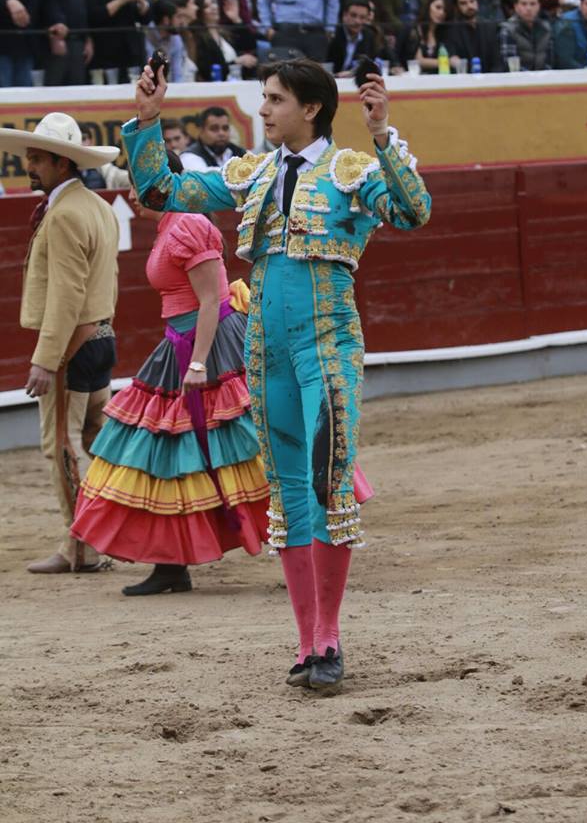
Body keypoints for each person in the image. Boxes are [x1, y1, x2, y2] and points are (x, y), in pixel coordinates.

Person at [123, 57, 430, 693]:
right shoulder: (253, 173)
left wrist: (380, 133)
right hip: (268, 351)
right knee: (289, 491)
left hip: (327, 346)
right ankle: (307, 643)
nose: (261, 111)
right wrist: (146, 121)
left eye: (273, 99)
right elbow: (161, 193)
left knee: (326, 478)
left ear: (310, 108)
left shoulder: (352, 171)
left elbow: (412, 210)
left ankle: (331, 638)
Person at [70, 150, 271, 596]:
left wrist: (198, 363)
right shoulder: (172, 224)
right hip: (183, 343)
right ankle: (171, 563)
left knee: (239, 443)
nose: (132, 195)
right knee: (177, 452)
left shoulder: (188, 224)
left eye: (140, 187)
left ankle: (308, 529)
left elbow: (211, 301)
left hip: (207, 347)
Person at [0, 112, 120, 573]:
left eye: (35, 159)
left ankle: (84, 547)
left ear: (61, 163)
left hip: (72, 345)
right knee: (94, 441)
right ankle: (104, 536)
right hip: (101, 335)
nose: (27, 165)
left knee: (64, 447)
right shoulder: (96, 207)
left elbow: (67, 294)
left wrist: (46, 360)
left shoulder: (66, 214)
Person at [444, 0, 502, 72]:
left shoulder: (490, 27)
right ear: (456, 7)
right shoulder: (450, 31)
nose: (469, 6)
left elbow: (498, 61)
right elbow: (453, 60)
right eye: (463, 3)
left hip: (491, 80)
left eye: (472, 1)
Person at [499, 0, 554, 69]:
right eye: (524, 4)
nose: (528, 8)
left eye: (532, 4)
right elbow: (509, 64)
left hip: (544, 79)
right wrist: (531, 78)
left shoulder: (546, 28)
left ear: (538, 6)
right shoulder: (508, 30)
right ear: (516, 7)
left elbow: (550, 61)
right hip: (518, 79)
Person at [181, 106, 247, 172]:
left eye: (225, 128)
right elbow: (204, 176)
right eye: (214, 128)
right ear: (201, 131)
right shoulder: (189, 156)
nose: (221, 133)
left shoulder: (241, 153)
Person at [327, 0, 378, 76]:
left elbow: (372, 63)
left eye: (362, 17)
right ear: (344, 15)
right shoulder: (333, 35)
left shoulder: (369, 36)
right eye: (353, 15)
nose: (357, 21)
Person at [415, 0, 451, 73]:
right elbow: (418, 61)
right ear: (428, 6)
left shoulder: (443, 33)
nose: (441, 13)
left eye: (445, 10)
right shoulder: (415, 29)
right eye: (438, 7)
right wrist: (447, 62)